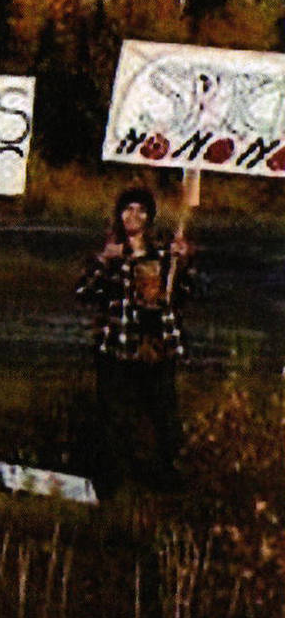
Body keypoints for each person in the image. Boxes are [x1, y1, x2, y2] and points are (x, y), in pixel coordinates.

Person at [75, 186, 194, 491]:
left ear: (149, 217)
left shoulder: (163, 254)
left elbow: (187, 293)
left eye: (141, 210)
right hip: (117, 346)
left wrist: (185, 264)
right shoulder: (111, 253)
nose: (134, 216)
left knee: (164, 416)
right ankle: (111, 482)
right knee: (113, 416)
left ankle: (166, 479)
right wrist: (103, 261)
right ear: (119, 214)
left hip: (157, 346)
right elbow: (83, 293)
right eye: (128, 209)